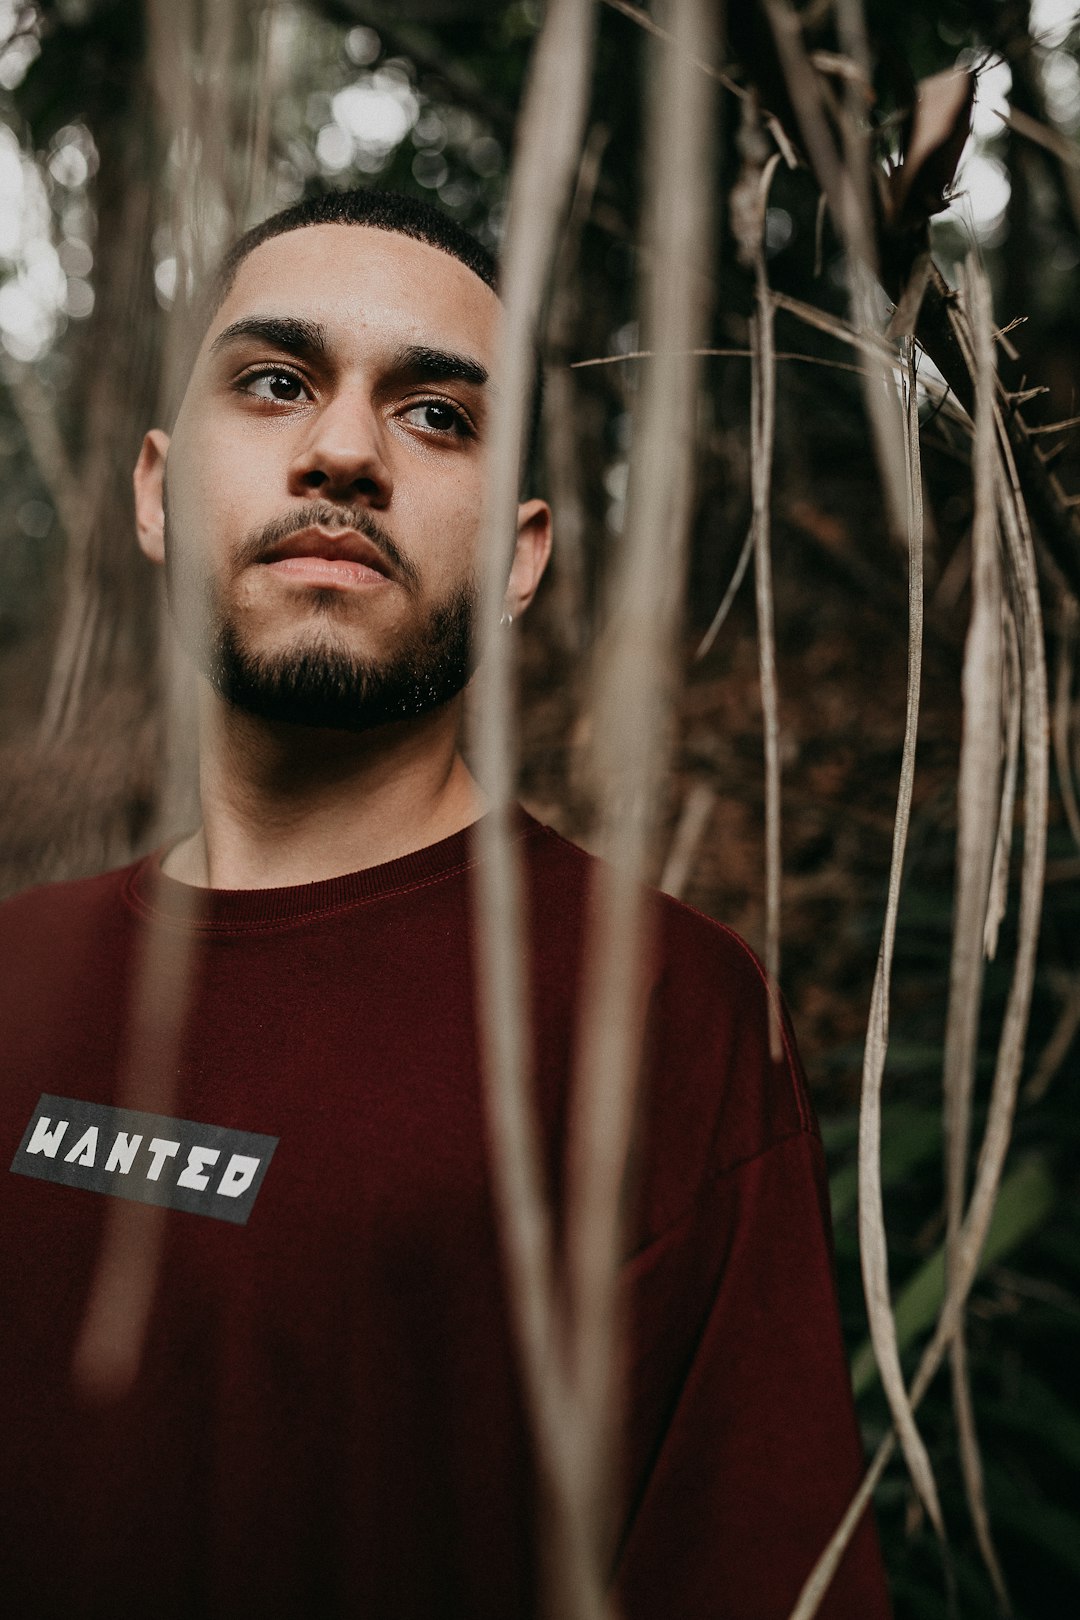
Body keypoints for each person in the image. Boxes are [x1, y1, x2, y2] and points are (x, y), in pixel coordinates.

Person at [0, 188, 890, 1618]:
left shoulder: (659, 1018)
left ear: (520, 552)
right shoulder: (13, 975)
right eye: (276, 383)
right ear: (159, 491)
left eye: (437, 416)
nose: (343, 450)